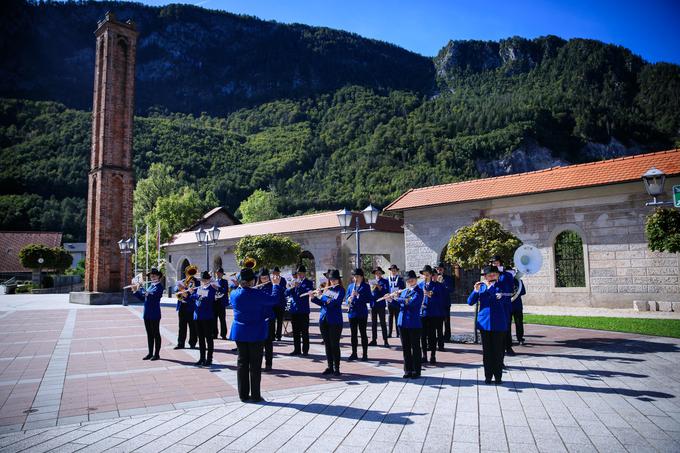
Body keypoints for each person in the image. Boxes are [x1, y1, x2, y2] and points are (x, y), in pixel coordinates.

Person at [229, 267, 282, 402]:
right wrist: (275, 285)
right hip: (256, 332)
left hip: (240, 332)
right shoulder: (257, 294)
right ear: (252, 281)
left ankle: (243, 395)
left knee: (242, 363)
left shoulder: (234, 294)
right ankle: (256, 395)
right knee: (255, 364)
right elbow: (274, 299)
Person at [467, 265, 509, 385]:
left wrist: (490, 287)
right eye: (489, 275)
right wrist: (475, 290)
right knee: (487, 352)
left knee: (498, 351)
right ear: (485, 276)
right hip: (485, 323)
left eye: (494, 275)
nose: (492, 277)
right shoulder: (481, 287)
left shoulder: (502, 286)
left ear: (498, 276)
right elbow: (470, 302)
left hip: (498, 323)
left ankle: (498, 377)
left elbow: (503, 300)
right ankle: (488, 376)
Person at [387, 270, 423, 378]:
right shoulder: (404, 291)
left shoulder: (419, 291)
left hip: (413, 323)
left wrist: (397, 297)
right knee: (406, 348)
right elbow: (399, 305)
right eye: (408, 279)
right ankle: (407, 370)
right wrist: (390, 300)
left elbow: (410, 303)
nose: (410, 281)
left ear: (415, 279)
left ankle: (416, 371)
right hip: (402, 323)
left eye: (412, 279)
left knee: (415, 348)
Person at [310, 269, 345, 376]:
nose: (333, 281)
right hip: (324, 319)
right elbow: (323, 303)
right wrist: (313, 297)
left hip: (335, 320)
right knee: (327, 344)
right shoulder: (326, 290)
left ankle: (337, 368)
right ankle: (330, 366)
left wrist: (323, 296)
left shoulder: (340, 290)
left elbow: (334, 303)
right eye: (331, 279)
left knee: (335, 345)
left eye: (335, 279)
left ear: (338, 280)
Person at [132, 268, 164, 361]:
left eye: (154, 275)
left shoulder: (159, 287)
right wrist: (135, 291)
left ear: (158, 276)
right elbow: (143, 298)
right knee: (149, 334)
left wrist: (141, 287)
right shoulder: (150, 286)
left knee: (156, 333)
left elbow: (151, 296)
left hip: (155, 313)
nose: (152, 276)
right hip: (147, 313)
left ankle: (157, 354)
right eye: (151, 275)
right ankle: (150, 353)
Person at [490, 255, 516, 359]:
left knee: (506, 326)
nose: (494, 264)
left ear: (500, 262)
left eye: (495, 262)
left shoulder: (507, 275)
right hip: (494, 305)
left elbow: (511, 289)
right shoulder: (490, 275)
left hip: (505, 304)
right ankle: (497, 348)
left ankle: (508, 347)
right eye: (492, 263)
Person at [419, 265, 446, 364]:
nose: (425, 276)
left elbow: (441, 300)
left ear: (431, 275)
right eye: (424, 274)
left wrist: (430, 296)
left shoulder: (438, 285)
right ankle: (424, 355)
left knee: (432, 335)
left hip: (433, 314)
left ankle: (433, 355)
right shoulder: (420, 285)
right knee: (423, 336)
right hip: (422, 314)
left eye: (427, 274)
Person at [285, 265, 314, 356]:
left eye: (301, 273)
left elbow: (308, 292)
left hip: (304, 311)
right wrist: (292, 287)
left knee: (304, 332)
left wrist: (299, 286)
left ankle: (305, 350)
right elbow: (286, 293)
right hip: (294, 310)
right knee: (296, 332)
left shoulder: (308, 282)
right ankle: (296, 349)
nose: (300, 275)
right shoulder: (293, 282)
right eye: (298, 273)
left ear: (304, 273)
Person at [345, 268, 371, 361]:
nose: (355, 278)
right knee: (353, 334)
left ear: (362, 277)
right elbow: (346, 298)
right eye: (354, 276)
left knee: (363, 333)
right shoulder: (350, 286)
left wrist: (358, 295)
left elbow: (369, 299)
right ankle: (354, 353)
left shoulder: (366, 286)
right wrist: (348, 299)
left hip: (362, 313)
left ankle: (365, 354)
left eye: (357, 276)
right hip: (352, 312)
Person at [192, 271, 216, 367]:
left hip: (207, 317)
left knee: (208, 338)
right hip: (197, 316)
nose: (204, 281)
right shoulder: (199, 288)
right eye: (202, 280)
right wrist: (191, 292)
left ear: (209, 279)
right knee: (200, 338)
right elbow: (192, 297)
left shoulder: (212, 289)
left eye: (205, 279)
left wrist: (197, 296)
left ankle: (209, 358)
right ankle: (202, 358)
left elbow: (208, 299)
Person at [256, 268, 276, 371]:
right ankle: (258, 363)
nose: (264, 280)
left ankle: (269, 364)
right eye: (262, 278)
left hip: (268, 317)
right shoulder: (257, 287)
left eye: (266, 278)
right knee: (258, 342)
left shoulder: (272, 287)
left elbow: (272, 300)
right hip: (258, 318)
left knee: (268, 342)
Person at [175, 265, 198, 350]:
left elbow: (195, 294)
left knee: (192, 326)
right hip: (182, 306)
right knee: (182, 326)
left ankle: (192, 343)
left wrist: (187, 293)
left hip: (191, 307)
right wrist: (180, 289)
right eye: (188, 273)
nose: (189, 274)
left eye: (191, 273)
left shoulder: (196, 282)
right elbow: (175, 289)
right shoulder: (182, 281)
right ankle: (180, 343)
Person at [369, 267, 389, 347]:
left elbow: (386, 292)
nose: (378, 274)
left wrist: (379, 286)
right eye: (376, 273)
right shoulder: (371, 281)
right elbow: (370, 292)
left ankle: (385, 340)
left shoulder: (385, 281)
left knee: (382, 323)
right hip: (373, 304)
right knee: (373, 323)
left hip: (381, 304)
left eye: (379, 273)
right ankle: (374, 340)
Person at [436, 262, 455, 343]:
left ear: (443, 270)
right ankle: (439, 336)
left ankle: (447, 336)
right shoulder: (434, 278)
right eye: (438, 269)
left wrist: (442, 284)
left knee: (446, 321)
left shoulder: (448, 278)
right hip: (437, 303)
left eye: (440, 269)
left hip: (445, 302)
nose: (439, 270)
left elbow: (451, 289)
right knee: (437, 321)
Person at [386, 264, 405, 338]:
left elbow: (403, 289)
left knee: (397, 316)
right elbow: (386, 288)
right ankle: (389, 333)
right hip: (390, 299)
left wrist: (399, 294)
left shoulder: (400, 279)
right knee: (390, 317)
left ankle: (398, 332)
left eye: (394, 270)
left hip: (397, 300)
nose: (393, 271)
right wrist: (387, 294)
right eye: (392, 270)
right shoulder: (387, 279)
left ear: (397, 271)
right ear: (390, 271)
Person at [271, 267, 287, 341]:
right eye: (274, 273)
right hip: (273, 303)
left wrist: (277, 285)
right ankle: (273, 335)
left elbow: (284, 290)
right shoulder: (271, 280)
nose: (275, 274)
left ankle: (279, 335)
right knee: (272, 320)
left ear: (279, 273)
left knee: (280, 320)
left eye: (277, 273)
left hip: (281, 303)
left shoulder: (283, 279)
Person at [214, 267, 229, 340]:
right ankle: (214, 334)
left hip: (221, 303)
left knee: (222, 319)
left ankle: (223, 334)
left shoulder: (224, 281)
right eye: (217, 273)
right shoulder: (213, 281)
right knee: (214, 319)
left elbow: (225, 291)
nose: (218, 274)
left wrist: (217, 288)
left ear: (222, 274)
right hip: (214, 302)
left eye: (219, 273)